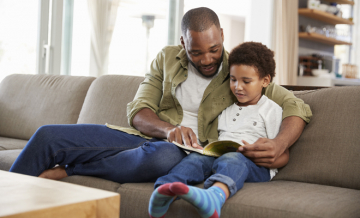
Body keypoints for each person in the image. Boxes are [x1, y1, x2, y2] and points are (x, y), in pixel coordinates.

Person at [10, 7, 311, 186]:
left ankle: (72, 168)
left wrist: (279, 143)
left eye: (214, 49)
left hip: (188, 152)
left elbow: (295, 105)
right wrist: (169, 130)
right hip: (145, 138)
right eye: (196, 52)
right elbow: (139, 110)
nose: (207, 59)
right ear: (183, 43)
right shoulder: (166, 59)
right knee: (47, 136)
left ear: (221, 35)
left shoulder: (239, 72)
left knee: (164, 157)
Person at [148, 42, 289, 218]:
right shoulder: (226, 110)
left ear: (265, 81)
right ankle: (165, 190)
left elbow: (284, 156)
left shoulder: (271, 110)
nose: (238, 87)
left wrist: (264, 156)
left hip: (254, 165)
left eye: (246, 81)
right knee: (196, 158)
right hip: (220, 157)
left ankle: (215, 195)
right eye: (233, 79)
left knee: (234, 158)